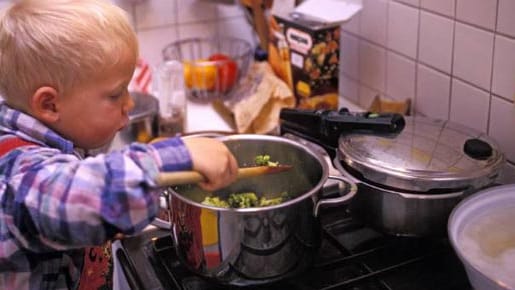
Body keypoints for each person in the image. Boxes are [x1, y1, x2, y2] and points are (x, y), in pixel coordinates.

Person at [0, 1, 238, 289]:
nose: (129, 102)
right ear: (49, 104)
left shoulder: (53, 130)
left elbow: (89, 171)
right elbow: (75, 195)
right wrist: (171, 158)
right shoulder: (17, 171)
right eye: (115, 95)